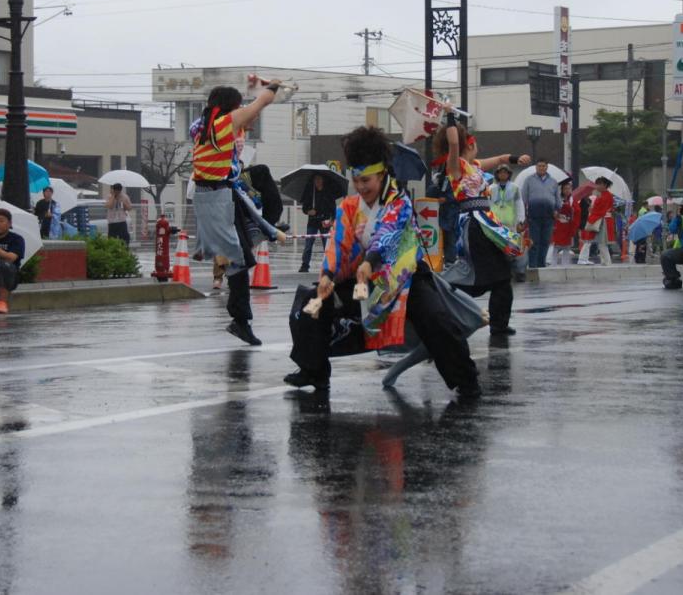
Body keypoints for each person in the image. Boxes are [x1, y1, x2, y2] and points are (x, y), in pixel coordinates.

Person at [284, 125, 482, 395]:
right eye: (357, 180)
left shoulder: (399, 202)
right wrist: (328, 276)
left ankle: (466, 381)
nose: (361, 186)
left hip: (406, 277)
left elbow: (388, 233)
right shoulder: (349, 208)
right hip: (367, 278)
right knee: (310, 306)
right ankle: (315, 372)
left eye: (367, 180)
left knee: (437, 321)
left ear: (382, 174)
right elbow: (338, 243)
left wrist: (370, 260)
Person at [191, 82, 281, 346]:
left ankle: (240, 320)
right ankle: (240, 321)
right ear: (230, 107)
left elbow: (250, 115)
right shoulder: (221, 124)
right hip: (217, 197)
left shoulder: (205, 125)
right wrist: (269, 91)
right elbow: (258, 105)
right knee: (239, 261)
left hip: (222, 194)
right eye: (237, 105)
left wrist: (256, 96)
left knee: (240, 258)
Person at [433, 108, 530, 336]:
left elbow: (501, 159)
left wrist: (518, 159)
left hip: (487, 222)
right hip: (474, 226)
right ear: (468, 144)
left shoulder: (474, 165)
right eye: (473, 144)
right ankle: (442, 292)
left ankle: (499, 324)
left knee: (502, 276)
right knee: (485, 274)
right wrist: (450, 118)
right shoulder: (454, 166)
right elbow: (454, 144)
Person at [521, 159, 559, 268]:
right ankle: (533, 265)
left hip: (549, 215)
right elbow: (524, 198)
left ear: (547, 167)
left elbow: (557, 199)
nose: (541, 168)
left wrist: (557, 210)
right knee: (534, 242)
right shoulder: (529, 180)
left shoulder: (553, 181)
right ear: (536, 167)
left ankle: (542, 264)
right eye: (539, 166)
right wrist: (523, 214)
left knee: (545, 241)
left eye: (543, 166)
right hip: (533, 215)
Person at [299, 174, 337, 273]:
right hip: (312, 221)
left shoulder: (328, 193)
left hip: (325, 221)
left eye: (320, 179)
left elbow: (333, 208)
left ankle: (329, 264)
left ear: (323, 180)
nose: (318, 181)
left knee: (327, 244)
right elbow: (304, 208)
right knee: (308, 244)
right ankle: (305, 265)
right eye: (316, 179)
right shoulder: (310, 192)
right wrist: (308, 211)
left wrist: (332, 220)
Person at [578, 177, 616, 266]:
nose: (597, 186)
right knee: (599, 242)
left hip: (601, 220)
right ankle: (605, 261)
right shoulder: (604, 195)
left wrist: (592, 211)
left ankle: (606, 261)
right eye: (597, 184)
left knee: (600, 242)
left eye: (599, 184)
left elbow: (601, 210)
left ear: (604, 185)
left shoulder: (606, 195)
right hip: (600, 219)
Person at [552, 179, 580, 265]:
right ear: (562, 190)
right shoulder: (557, 199)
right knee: (555, 245)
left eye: (569, 188)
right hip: (559, 225)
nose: (567, 190)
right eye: (565, 189)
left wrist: (571, 209)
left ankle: (565, 264)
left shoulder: (573, 200)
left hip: (568, 226)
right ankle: (553, 263)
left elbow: (578, 211)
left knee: (567, 247)